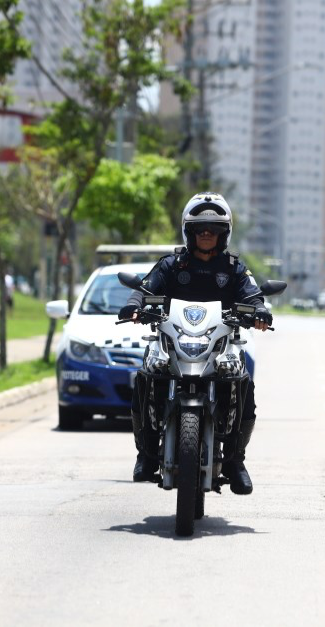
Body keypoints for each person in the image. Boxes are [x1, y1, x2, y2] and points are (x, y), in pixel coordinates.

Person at [118, 192, 273, 495]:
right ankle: (146, 454)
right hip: (172, 343)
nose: (206, 234)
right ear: (188, 231)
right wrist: (135, 304)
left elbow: (253, 295)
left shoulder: (234, 268)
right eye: (200, 229)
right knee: (146, 377)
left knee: (243, 384)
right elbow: (145, 288)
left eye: (213, 229)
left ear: (224, 234)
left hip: (219, 346)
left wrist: (260, 312)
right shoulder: (171, 265)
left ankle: (235, 462)